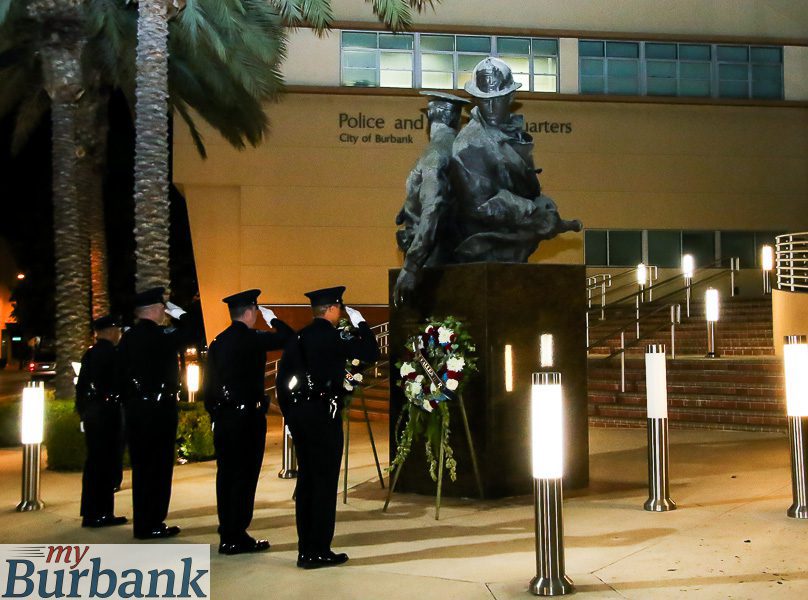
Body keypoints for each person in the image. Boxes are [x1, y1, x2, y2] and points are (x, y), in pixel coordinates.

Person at [277, 286, 380, 569]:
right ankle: (319, 549)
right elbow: (371, 352)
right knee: (324, 482)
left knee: (307, 482)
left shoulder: (300, 337)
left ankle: (305, 549)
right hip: (324, 414)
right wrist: (361, 324)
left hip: (300, 414)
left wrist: (291, 415)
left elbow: (282, 380)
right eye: (340, 308)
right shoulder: (334, 337)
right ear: (333, 309)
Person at [450, 57, 581, 263]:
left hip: (510, 246)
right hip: (485, 246)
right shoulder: (469, 145)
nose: (491, 107)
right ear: (475, 100)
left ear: (511, 97)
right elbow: (481, 204)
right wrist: (533, 212)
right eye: (484, 100)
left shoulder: (510, 133)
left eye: (498, 99)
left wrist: (541, 204)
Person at [204, 289, 294, 555]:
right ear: (250, 312)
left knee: (226, 475)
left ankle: (227, 532)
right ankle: (237, 535)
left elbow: (209, 385)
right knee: (245, 476)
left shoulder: (219, 341)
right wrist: (273, 319)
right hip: (247, 419)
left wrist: (216, 414)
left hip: (225, 418)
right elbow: (290, 338)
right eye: (256, 310)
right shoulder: (253, 338)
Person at [115, 287, 191, 539]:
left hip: (136, 408)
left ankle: (144, 523)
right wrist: (180, 313)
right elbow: (193, 330)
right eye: (163, 309)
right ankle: (153, 522)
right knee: (159, 468)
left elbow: (120, 373)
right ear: (156, 309)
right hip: (159, 409)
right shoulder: (160, 336)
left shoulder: (128, 338)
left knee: (142, 468)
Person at [393, 91, 470, 306]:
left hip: (433, 258)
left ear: (434, 117)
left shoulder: (436, 152)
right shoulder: (458, 148)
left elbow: (433, 207)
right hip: (449, 251)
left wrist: (412, 265)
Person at [76, 314, 126, 528]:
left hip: (93, 413)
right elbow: (117, 383)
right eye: (118, 330)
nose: (119, 334)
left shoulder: (90, 354)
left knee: (94, 463)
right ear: (110, 331)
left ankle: (92, 512)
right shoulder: (111, 354)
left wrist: (83, 412)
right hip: (107, 413)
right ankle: (102, 513)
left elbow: (81, 388)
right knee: (106, 463)